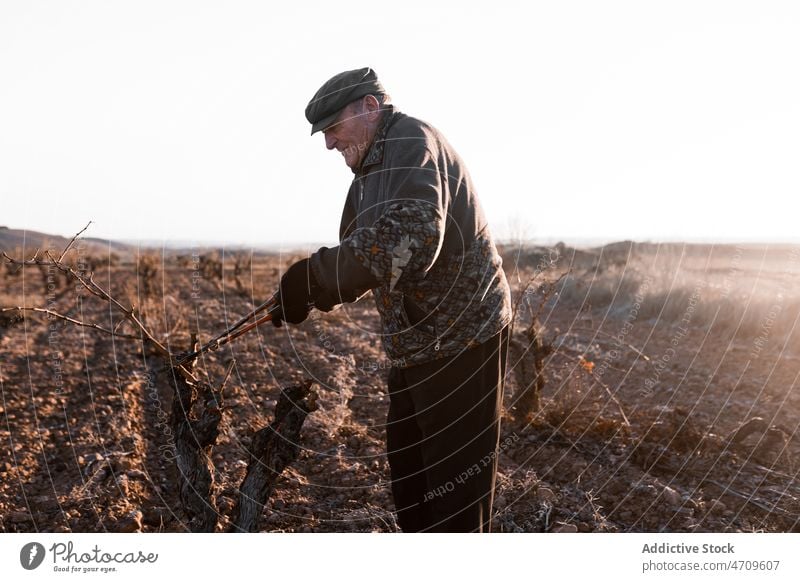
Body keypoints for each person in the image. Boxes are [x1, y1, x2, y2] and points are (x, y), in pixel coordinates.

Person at [271, 67, 512, 532]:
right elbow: (372, 254)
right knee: (413, 487)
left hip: (461, 341)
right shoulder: (371, 168)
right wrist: (313, 290)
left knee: (454, 499)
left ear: (369, 107)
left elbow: (415, 236)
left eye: (333, 128)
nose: (328, 143)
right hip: (417, 345)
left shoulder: (409, 143)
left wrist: (316, 276)